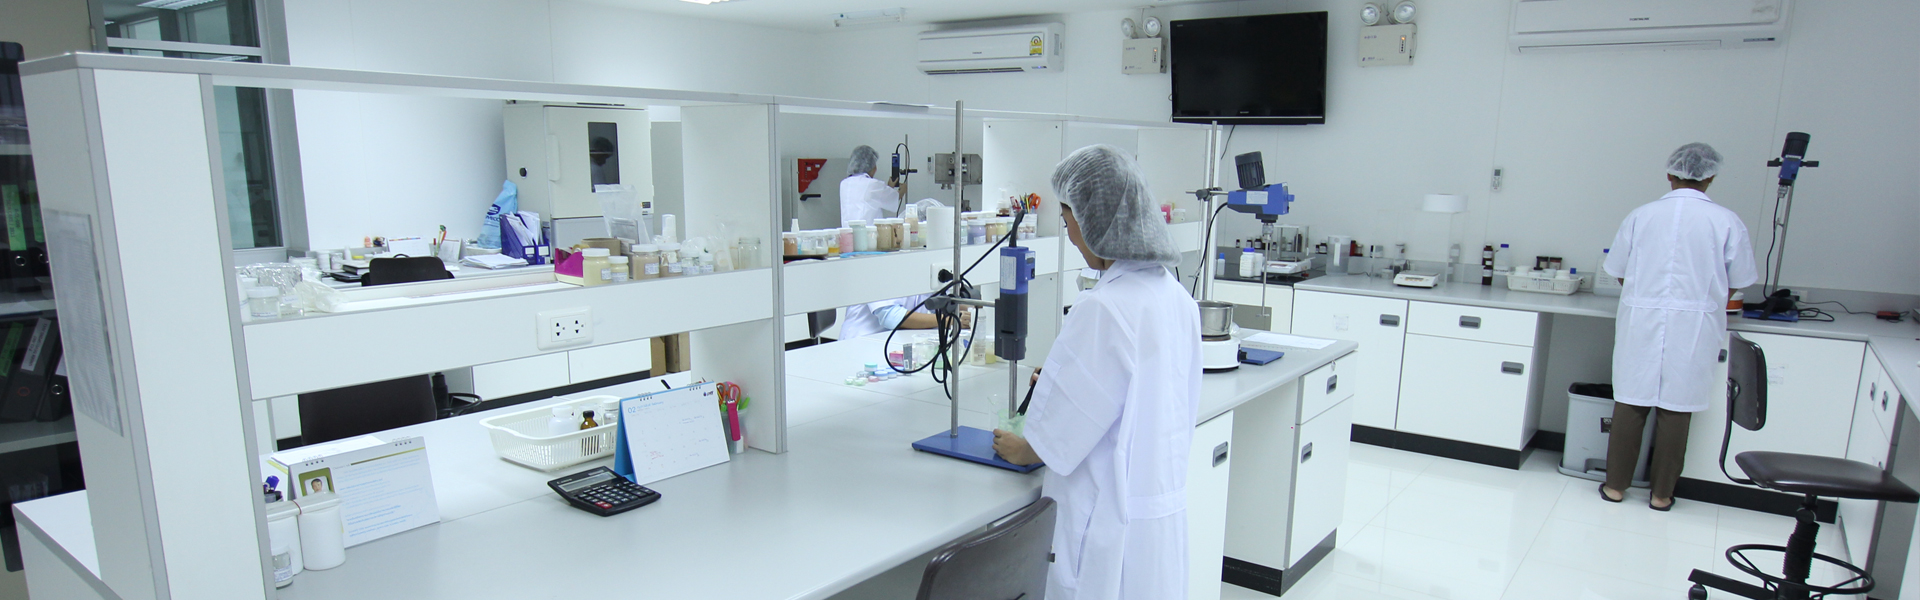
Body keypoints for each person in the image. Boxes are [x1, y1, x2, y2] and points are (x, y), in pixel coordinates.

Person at [990, 145, 1202, 599]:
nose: (1069, 235)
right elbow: (1145, 391)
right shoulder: (1176, 298)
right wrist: (1064, 377)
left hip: (1105, 522)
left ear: (1097, 222)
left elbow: (1054, 442)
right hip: (1158, 516)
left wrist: (1020, 448)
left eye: (1069, 221)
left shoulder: (1104, 307)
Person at [1599, 142, 1758, 511]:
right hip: (1695, 325)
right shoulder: (1726, 221)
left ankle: (1616, 487)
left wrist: (1647, 293)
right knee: (1676, 407)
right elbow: (1737, 280)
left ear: (1669, 173)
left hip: (1642, 319)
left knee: (1631, 401)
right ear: (1711, 177)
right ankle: (1661, 495)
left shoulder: (1641, 215)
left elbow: (1619, 271)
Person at [840, 145, 904, 226]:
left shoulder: (844, 184)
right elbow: (894, 198)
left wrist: (889, 188)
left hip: (847, 232)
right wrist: (903, 190)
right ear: (869, 166)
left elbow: (871, 197)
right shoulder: (872, 184)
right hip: (867, 232)